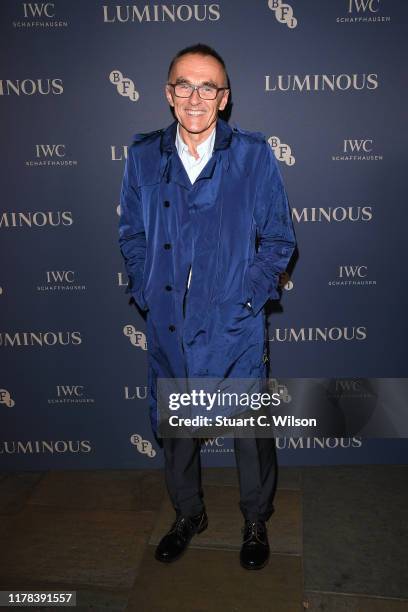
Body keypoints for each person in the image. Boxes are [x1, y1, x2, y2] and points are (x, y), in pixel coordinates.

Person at [118, 43, 296, 570]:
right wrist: (147, 288)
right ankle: (188, 514)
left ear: (224, 98)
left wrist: (246, 299)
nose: (195, 96)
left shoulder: (254, 155)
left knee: (249, 431)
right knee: (177, 432)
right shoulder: (143, 155)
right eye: (184, 85)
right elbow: (131, 233)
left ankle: (255, 518)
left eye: (208, 87)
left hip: (235, 325)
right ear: (168, 93)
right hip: (170, 321)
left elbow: (280, 241)